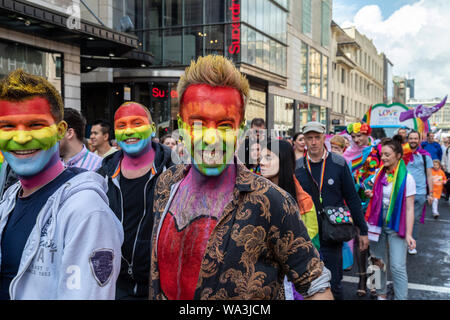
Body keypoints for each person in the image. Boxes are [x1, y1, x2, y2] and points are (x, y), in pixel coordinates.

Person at [150, 55, 333, 300]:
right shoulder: (165, 184)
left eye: (225, 125)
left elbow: (315, 285)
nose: (211, 138)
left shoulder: (272, 201)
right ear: (181, 125)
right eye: (197, 125)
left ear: (241, 130)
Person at [0, 69, 123, 300]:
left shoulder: (87, 210)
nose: (21, 138)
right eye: (7, 126)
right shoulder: (8, 200)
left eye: (35, 125)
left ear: (60, 132)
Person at [97, 101, 173, 300]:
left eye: (137, 123)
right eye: (122, 126)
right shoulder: (102, 176)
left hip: (161, 288)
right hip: (115, 287)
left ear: (152, 128)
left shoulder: (175, 172)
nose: (129, 131)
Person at [295, 121, 369, 300]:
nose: (313, 142)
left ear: (323, 139)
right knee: (308, 286)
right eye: (309, 138)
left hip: (332, 235)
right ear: (304, 140)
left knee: (334, 284)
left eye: (317, 138)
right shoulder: (297, 167)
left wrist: (363, 231)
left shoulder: (339, 163)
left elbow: (352, 198)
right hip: (307, 237)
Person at [259, 139, 323, 300]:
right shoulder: (254, 196)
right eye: (260, 157)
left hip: (292, 278)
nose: (261, 162)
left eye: (268, 157)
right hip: (260, 278)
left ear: (283, 161)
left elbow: (311, 241)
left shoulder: (303, 201)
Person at [364, 138, 416, 300]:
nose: (384, 158)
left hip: (396, 224)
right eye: (382, 155)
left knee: (398, 266)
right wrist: (371, 195)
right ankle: (381, 295)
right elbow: (371, 190)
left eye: (387, 155)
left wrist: (409, 234)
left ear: (398, 156)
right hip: (377, 223)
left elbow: (409, 208)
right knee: (376, 261)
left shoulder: (407, 178)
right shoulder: (379, 174)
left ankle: (401, 297)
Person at [406, 130, 433, 255]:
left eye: (415, 138)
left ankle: (412, 243)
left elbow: (429, 175)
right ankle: (401, 240)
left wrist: (431, 193)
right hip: (403, 192)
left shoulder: (425, 155)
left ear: (419, 140)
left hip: (420, 192)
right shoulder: (403, 154)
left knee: (415, 219)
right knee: (401, 217)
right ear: (408, 139)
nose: (413, 140)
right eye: (411, 138)